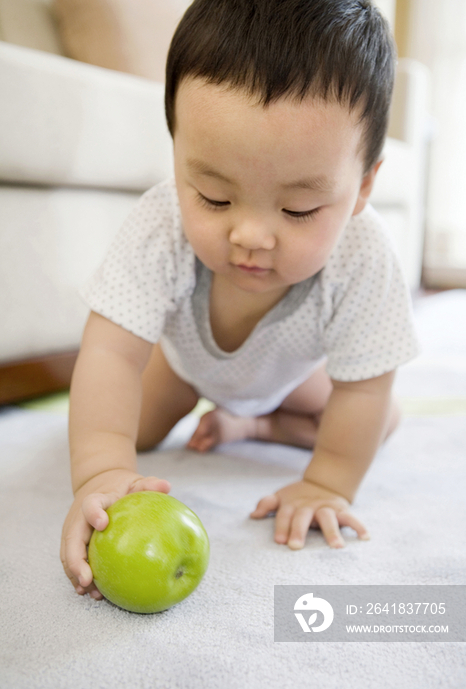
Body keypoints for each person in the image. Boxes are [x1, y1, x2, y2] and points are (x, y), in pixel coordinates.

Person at [61, 0, 421, 600]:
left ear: (361, 188)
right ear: (176, 155)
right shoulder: (159, 226)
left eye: (299, 209)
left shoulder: (365, 255)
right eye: (214, 197)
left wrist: (328, 482)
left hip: (292, 372)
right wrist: (101, 472)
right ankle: (236, 416)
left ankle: (257, 421)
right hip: (179, 366)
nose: (250, 236)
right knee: (130, 432)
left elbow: (361, 384)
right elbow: (110, 355)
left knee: (375, 417)